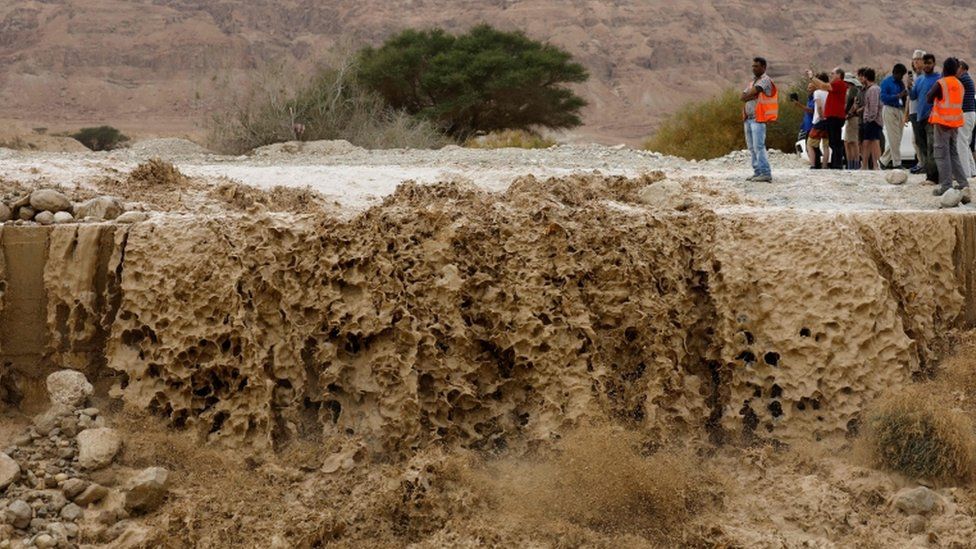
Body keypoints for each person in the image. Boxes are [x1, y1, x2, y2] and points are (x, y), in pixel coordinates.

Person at [926, 57, 968, 196]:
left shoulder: (941, 83)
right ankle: (963, 184)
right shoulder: (960, 84)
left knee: (942, 155)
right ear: (956, 69)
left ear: (944, 69)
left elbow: (928, 98)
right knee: (953, 154)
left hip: (942, 124)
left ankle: (946, 186)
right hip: (955, 124)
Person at [741, 57, 777, 182]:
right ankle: (757, 172)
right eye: (753, 66)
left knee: (759, 146)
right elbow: (743, 96)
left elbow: (754, 92)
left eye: (756, 66)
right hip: (749, 118)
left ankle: (765, 172)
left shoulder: (765, 80)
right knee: (752, 147)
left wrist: (749, 95)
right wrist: (749, 95)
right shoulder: (753, 81)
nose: (754, 68)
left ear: (763, 67)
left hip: (759, 118)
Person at [910, 53, 941, 184]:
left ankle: (933, 177)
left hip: (932, 117)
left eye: (929, 63)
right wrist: (909, 86)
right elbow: (913, 96)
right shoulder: (920, 79)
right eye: (925, 63)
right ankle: (929, 173)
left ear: (934, 64)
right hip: (920, 117)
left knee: (931, 147)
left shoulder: (939, 78)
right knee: (922, 146)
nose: (927, 66)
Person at [808, 67, 848, 169]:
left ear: (839, 75)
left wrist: (812, 77)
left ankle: (837, 164)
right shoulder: (838, 85)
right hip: (834, 116)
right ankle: (835, 163)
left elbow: (823, 85)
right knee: (833, 142)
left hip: (835, 116)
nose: (831, 75)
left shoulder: (838, 84)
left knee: (835, 141)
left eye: (833, 73)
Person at [880, 63, 908, 169]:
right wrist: (897, 96)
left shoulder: (901, 83)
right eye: (901, 75)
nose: (901, 77)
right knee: (894, 138)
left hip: (899, 109)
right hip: (889, 109)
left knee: (897, 138)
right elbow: (883, 97)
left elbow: (903, 98)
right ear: (895, 73)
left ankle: (883, 161)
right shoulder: (886, 82)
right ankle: (897, 163)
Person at [807, 73, 831, 168]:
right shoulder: (829, 92)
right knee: (826, 146)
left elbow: (819, 106)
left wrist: (821, 116)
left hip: (819, 121)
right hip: (828, 120)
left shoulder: (817, 93)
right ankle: (824, 165)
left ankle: (813, 165)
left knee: (810, 144)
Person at [861, 68, 883, 170]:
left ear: (866, 78)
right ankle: (869, 165)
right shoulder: (872, 89)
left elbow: (874, 106)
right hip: (872, 120)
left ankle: (874, 165)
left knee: (872, 142)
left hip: (873, 121)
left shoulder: (873, 89)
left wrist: (870, 119)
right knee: (870, 142)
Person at [908, 50, 927, 174]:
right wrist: (906, 114)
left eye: (918, 59)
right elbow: (909, 97)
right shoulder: (913, 77)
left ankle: (924, 164)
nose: (916, 62)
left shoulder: (925, 76)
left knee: (921, 139)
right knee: (915, 140)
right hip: (913, 111)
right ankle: (921, 162)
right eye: (914, 60)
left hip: (922, 111)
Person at [957, 61, 976, 177]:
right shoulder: (967, 78)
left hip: (966, 114)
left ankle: (965, 173)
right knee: (965, 143)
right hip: (970, 114)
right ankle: (972, 170)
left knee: (961, 143)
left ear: (961, 68)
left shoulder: (963, 79)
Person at [845, 69, 865, 169]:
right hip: (851, 118)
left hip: (853, 118)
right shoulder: (855, 90)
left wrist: (849, 113)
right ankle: (852, 164)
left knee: (852, 142)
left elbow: (853, 105)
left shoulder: (853, 90)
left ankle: (854, 164)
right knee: (849, 142)